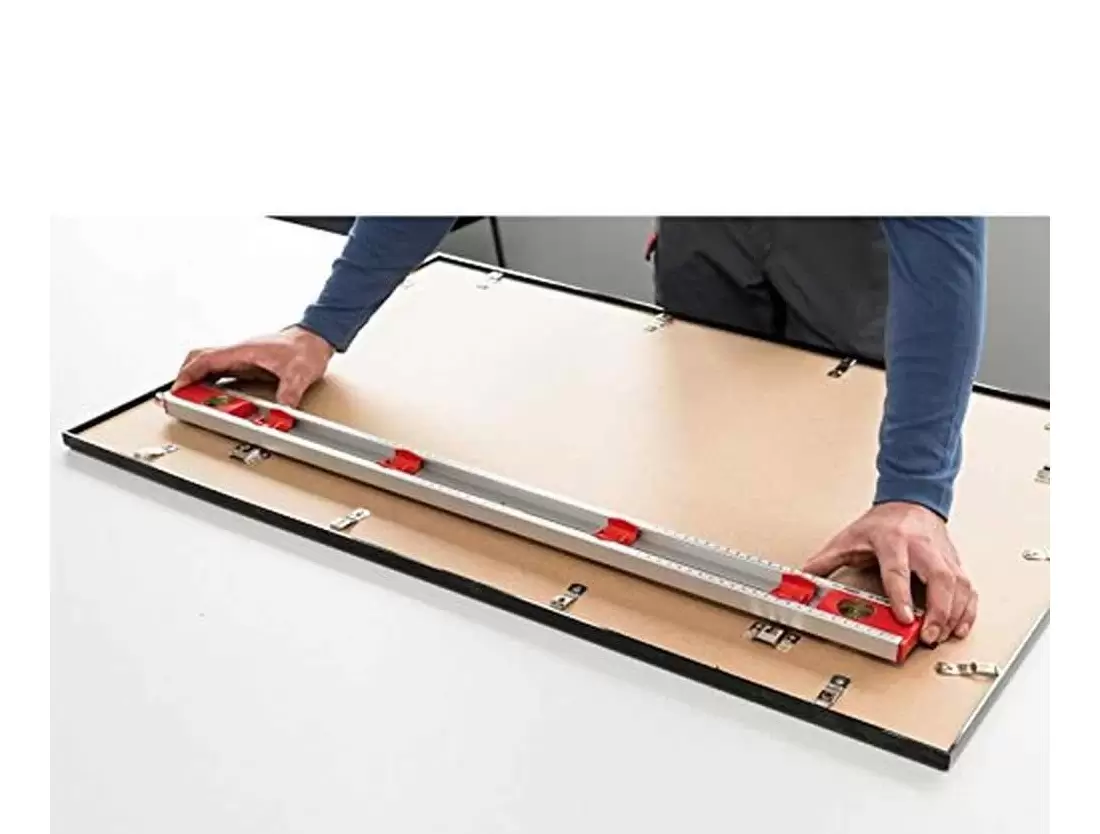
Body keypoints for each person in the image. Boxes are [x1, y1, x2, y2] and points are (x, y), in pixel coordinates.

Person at [174, 216, 986, 647]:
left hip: (854, 254)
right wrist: (320, 329)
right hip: (707, 239)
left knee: (827, 453)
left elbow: (941, 241)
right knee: (698, 488)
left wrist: (914, 491)